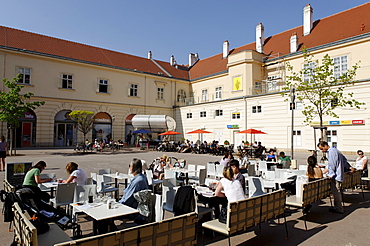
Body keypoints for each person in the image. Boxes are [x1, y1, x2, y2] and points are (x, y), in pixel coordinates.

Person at [317, 141, 345, 214]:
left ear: (325, 146)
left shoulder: (332, 152)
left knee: (336, 192)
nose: (322, 151)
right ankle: (338, 207)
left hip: (335, 176)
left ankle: (339, 208)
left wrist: (330, 174)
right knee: (337, 192)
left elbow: (332, 165)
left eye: (322, 149)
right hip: (338, 174)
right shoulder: (335, 150)